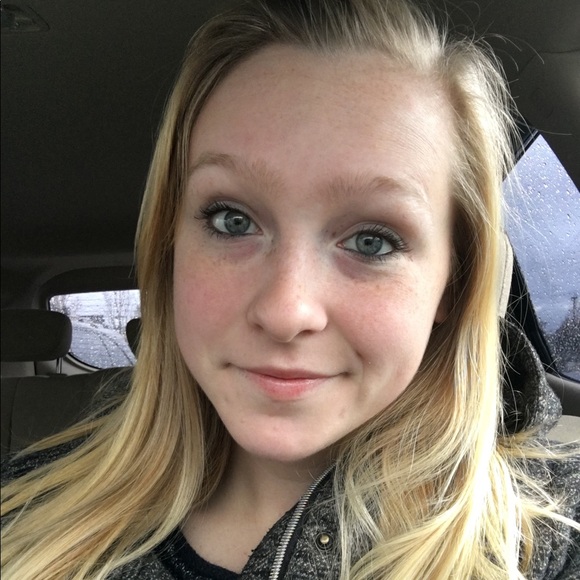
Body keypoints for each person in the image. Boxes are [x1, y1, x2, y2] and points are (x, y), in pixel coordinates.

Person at [1, 0, 579, 578]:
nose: (285, 311)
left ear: (452, 285)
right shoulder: (22, 514)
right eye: (232, 220)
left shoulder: (548, 542)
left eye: (372, 241)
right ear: (170, 253)